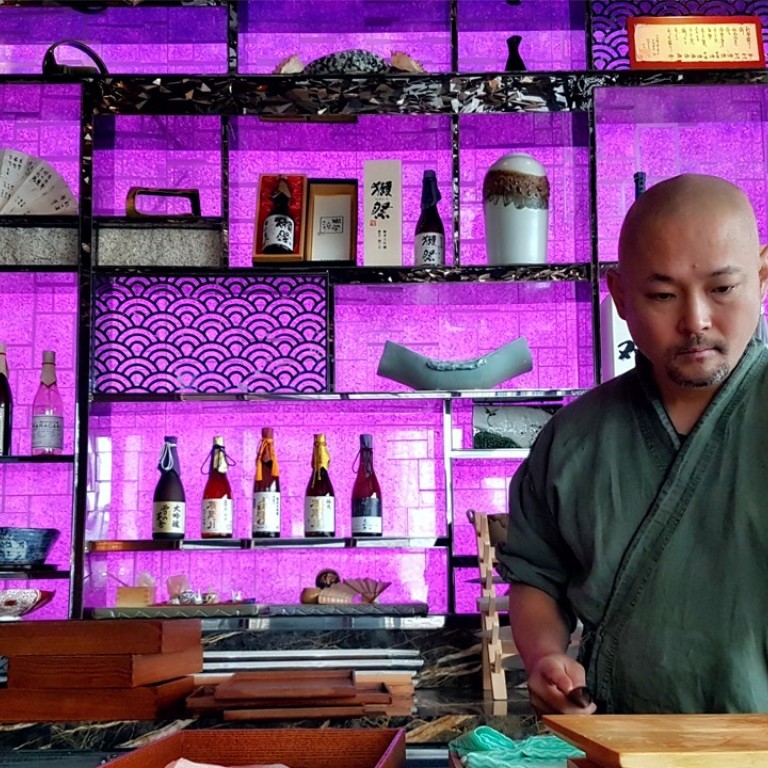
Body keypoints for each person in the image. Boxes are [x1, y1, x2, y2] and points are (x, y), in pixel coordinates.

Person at [495, 173, 768, 715]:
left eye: (723, 288)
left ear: (762, 276)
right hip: (623, 743)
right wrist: (545, 655)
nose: (695, 320)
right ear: (619, 296)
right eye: (663, 295)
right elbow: (535, 577)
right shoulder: (573, 440)